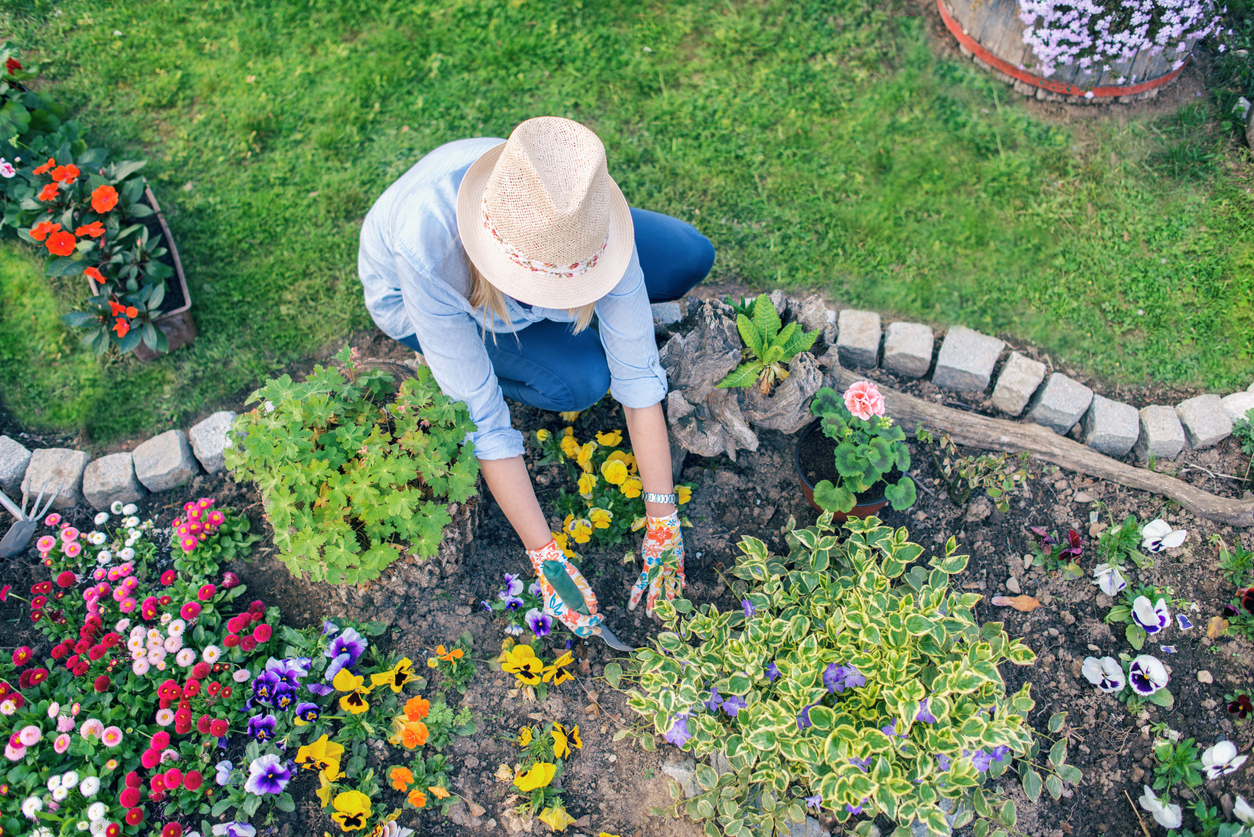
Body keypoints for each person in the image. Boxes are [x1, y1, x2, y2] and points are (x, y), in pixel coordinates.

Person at [358, 116, 715, 641]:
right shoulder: (428, 254)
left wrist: (663, 517)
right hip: (424, 296)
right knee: (582, 382)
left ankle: (577, 327)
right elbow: (484, 423)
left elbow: (639, 377)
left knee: (690, 256)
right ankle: (542, 350)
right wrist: (545, 555)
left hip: (542, 233)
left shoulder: (586, 224)